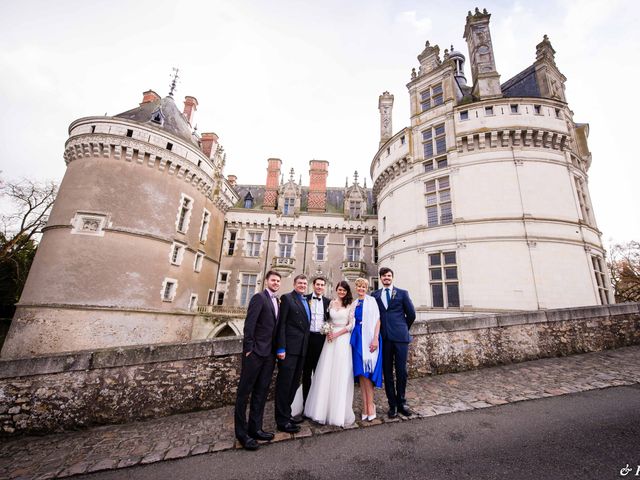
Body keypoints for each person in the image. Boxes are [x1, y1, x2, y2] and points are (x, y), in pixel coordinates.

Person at [234, 270, 282, 451]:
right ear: (266, 281)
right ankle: (241, 433)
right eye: (273, 280)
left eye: (278, 280)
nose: (276, 283)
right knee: (243, 394)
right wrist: (248, 350)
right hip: (255, 354)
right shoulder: (259, 298)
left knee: (261, 393)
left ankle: (256, 428)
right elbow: (249, 325)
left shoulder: (277, 301)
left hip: (269, 356)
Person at [303, 281, 356, 427]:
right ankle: (321, 409)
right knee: (325, 373)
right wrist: (328, 330)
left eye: (344, 290)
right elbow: (327, 320)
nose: (341, 292)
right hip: (329, 341)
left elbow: (351, 324)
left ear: (347, 291)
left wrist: (337, 333)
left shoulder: (350, 305)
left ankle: (337, 412)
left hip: (343, 341)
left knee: (340, 373)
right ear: (336, 290)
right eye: (339, 289)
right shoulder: (331, 303)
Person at [372, 267, 416, 418]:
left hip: (400, 338)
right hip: (384, 340)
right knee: (387, 373)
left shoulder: (402, 293)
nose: (386, 278)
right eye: (384, 276)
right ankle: (392, 405)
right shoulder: (375, 295)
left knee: (401, 371)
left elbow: (411, 314)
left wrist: (403, 328)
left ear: (392, 277)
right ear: (381, 278)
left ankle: (402, 402)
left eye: (389, 275)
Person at [274, 274, 311, 433]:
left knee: (294, 384)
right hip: (289, 349)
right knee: (284, 384)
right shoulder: (287, 298)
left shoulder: (305, 301)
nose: (303, 285)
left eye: (304, 283)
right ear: (295, 284)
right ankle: (281, 421)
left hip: (301, 349)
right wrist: (281, 348)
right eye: (300, 283)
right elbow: (281, 325)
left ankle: (286, 414)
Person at [350, 277, 382, 421]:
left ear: (367, 288)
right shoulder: (354, 303)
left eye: (363, 287)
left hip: (369, 339)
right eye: (359, 287)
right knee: (361, 375)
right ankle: (365, 406)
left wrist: (375, 338)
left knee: (368, 375)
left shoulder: (372, 301)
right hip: (357, 339)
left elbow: (377, 320)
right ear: (356, 288)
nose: (361, 289)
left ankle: (371, 405)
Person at [302, 277, 330, 407]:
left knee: (319, 371)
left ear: (324, 287)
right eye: (317, 284)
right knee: (306, 372)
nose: (319, 287)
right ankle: (306, 402)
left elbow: (331, 320)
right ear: (313, 285)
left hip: (321, 340)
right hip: (307, 339)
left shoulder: (328, 302)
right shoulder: (305, 299)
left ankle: (317, 405)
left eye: (322, 285)